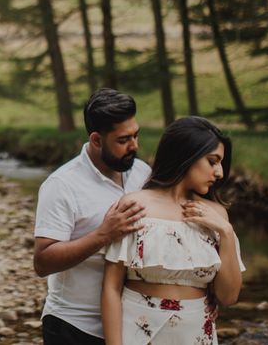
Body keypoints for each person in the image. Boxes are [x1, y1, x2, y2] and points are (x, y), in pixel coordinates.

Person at [101, 116, 245, 345]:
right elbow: (111, 287)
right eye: (212, 161)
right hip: (137, 330)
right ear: (186, 156)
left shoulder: (217, 215)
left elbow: (228, 297)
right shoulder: (134, 206)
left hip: (196, 332)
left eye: (220, 164)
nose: (219, 173)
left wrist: (226, 232)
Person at [34, 88, 151, 344]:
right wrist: (103, 235)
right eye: (123, 140)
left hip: (133, 325)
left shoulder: (142, 172)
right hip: (74, 326)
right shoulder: (61, 185)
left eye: (136, 135)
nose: (134, 146)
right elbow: (42, 262)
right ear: (97, 140)